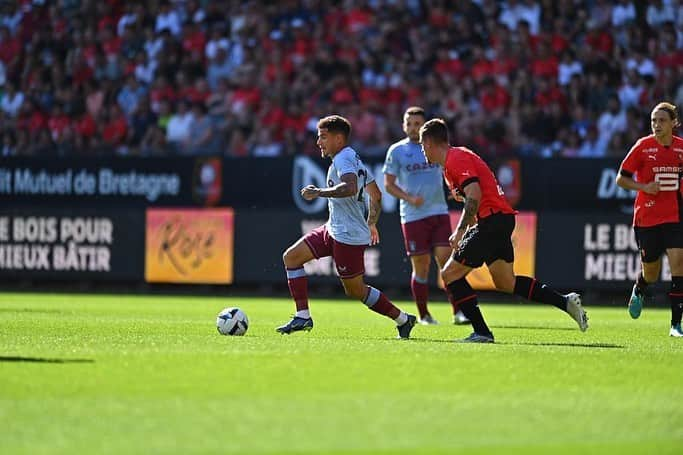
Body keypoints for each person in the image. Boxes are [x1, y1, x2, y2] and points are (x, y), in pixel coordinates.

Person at [419, 118, 589, 343]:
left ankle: (482, 332)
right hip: (498, 220)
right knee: (505, 282)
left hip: (493, 221)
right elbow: (473, 198)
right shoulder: (451, 164)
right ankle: (565, 302)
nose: (422, 151)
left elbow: (475, 195)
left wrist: (460, 230)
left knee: (449, 273)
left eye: (422, 146)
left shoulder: (455, 159)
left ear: (429, 143)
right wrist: (468, 225)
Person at [277, 115, 417, 338]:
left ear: (339, 139)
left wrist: (319, 192)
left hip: (347, 236)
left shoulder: (344, 159)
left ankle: (402, 319)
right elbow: (377, 195)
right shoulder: (353, 158)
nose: (318, 142)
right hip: (334, 228)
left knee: (355, 290)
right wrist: (371, 223)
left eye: (323, 137)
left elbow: (351, 187)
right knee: (291, 258)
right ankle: (302, 316)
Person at [383, 106, 469, 325]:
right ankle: (424, 315)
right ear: (404, 126)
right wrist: (410, 199)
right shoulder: (397, 151)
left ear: (424, 126)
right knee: (421, 266)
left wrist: (453, 189)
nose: (413, 127)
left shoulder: (434, 148)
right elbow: (389, 185)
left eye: (417, 123)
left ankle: (458, 312)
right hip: (412, 216)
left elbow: (447, 171)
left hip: (438, 211)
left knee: (447, 262)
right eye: (409, 123)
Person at [615, 102, 683, 337]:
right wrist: (644, 186)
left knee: (679, 264)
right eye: (654, 120)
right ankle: (640, 288)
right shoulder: (643, 146)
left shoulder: (681, 149)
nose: (656, 125)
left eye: (662, 120)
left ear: (674, 123)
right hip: (647, 218)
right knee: (651, 273)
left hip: (675, 217)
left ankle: (675, 324)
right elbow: (621, 179)